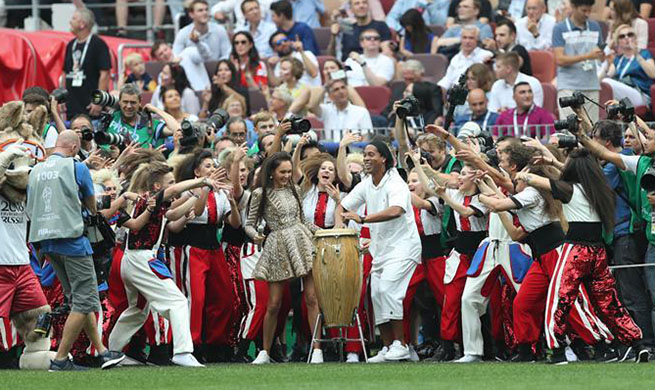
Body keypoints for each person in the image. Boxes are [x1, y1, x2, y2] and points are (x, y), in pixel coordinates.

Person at [516, 149, 647, 364]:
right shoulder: (600, 189)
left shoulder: (569, 190)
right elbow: (570, 175)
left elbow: (545, 182)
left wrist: (524, 175)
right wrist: (551, 160)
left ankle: (556, 351)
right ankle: (636, 343)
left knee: (559, 300)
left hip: (575, 251)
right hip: (598, 251)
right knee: (609, 302)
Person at [108, 161, 225, 367]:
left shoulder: (148, 200)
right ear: (157, 186)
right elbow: (173, 193)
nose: (174, 185)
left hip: (134, 258)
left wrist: (197, 194)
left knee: (137, 311)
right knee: (178, 302)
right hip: (142, 258)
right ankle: (182, 351)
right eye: (169, 182)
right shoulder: (153, 198)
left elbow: (172, 215)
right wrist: (203, 181)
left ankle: (112, 352)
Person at [25, 131, 125, 371]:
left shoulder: (36, 171)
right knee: (85, 300)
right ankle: (60, 360)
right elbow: (92, 204)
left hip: (46, 243)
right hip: (72, 240)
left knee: (79, 298)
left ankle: (102, 352)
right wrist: (89, 209)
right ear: (73, 147)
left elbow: (31, 206)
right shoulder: (76, 167)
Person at [335, 139, 422, 362]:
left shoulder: (396, 183)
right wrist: (338, 229)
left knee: (389, 291)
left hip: (404, 246)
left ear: (384, 158)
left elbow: (396, 210)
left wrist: (363, 218)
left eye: (371, 154)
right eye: (365, 154)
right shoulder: (365, 183)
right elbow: (344, 206)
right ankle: (386, 347)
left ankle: (401, 344)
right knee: (376, 294)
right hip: (380, 248)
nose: (366, 158)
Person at [245, 152, 323, 364]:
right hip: (277, 245)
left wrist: (324, 231)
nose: (287, 175)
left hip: (302, 241)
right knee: (274, 304)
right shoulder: (260, 193)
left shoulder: (296, 190)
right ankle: (265, 351)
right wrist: (256, 236)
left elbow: (304, 221)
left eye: (289, 171)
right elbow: (249, 224)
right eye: (283, 172)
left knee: (312, 299)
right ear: (271, 172)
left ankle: (317, 350)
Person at [168, 150, 241, 359]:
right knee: (196, 298)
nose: (212, 169)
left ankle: (216, 342)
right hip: (193, 246)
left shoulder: (220, 192)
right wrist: (204, 187)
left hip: (214, 247)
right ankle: (193, 344)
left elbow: (234, 223)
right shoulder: (190, 190)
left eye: (213, 165)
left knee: (224, 297)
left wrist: (233, 203)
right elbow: (198, 212)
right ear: (197, 170)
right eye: (207, 166)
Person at [592, 120, 654, 352]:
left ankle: (644, 344)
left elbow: (591, 185)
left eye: (633, 136)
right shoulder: (629, 161)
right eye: (624, 136)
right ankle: (636, 343)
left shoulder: (624, 163)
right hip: (620, 234)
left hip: (625, 234)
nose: (628, 140)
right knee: (628, 293)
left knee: (632, 294)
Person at [553, 0, 604, 121]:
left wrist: (603, 55)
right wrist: (587, 56)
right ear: (573, 7)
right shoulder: (560, 28)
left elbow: (600, 56)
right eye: (583, 10)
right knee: (570, 129)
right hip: (568, 86)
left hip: (591, 85)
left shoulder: (595, 26)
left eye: (589, 11)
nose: (587, 14)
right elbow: (560, 59)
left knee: (592, 130)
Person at [62, 7, 111, 118]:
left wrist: (99, 101)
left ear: (82, 24)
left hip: (90, 107)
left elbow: (105, 74)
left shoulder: (98, 44)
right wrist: (62, 99)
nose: (70, 21)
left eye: (74, 18)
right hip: (72, 107)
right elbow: (65, 73)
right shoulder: (70, 45)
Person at [106, 84, 179, 148]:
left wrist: (156, 109)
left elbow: (177, 129)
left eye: (133, 102)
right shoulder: (112, 115)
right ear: (119, 102)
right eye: (125, 102)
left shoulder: (151, 124)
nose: (128, 106)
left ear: (140, 102)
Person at [602, 24, 655, 107]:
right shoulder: (618, 59)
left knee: (606, 82)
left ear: (635, 38)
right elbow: (607, 77)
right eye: (622, 36)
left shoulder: (644, 53)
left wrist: (637, 54)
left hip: (640, 93)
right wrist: (607, 63)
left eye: (630, 35)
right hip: (622, 93)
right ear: (618, 42)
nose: (626, 38)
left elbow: (653, 74)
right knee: (603, 83)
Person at [172, 0, 231, 69]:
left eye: (206, 10)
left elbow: (227, 54)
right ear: (191, 14)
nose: (205, 13)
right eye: (200, 10)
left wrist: (219, 67)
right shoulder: (183, 33)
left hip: (218, 69)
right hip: (194, 70)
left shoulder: (220, 30)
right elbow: (176, 55)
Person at [437, 26, 493, 92]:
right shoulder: (456, 58)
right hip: (453, 94)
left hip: (474, 93)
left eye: (471, 38)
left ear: (477, 40)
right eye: (464, 37)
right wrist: (437, 89)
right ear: (461, 39)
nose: (467, 41)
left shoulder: (486, 55)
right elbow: (447, 79)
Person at [386, 0, 452, 32]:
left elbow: (439, 23)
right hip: (405, 33)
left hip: (430, 36)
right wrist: (401, 30)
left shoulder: (443, 1)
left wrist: (430, 5)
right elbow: (391, 18)